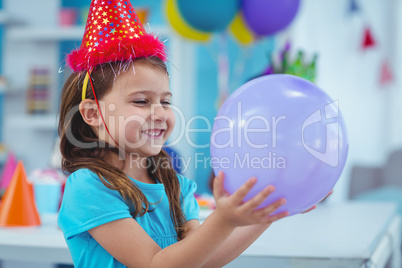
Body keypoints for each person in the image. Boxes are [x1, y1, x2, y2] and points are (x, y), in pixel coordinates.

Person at [57, 1, 327, 267]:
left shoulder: (174, 183)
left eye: (165, 102)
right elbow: (155, 264)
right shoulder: (89, 186)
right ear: (92, 114)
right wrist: (223, 220)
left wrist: (265, 214)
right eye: (141, 101)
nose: (160, 113)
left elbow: (203, 261)